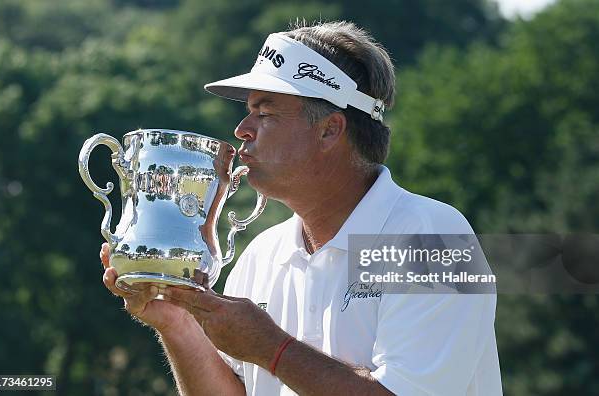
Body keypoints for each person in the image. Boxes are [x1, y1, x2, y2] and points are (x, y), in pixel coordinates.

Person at [100, 21, 503, 395]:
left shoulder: (432, 238)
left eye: (266, 111)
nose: (243, 130)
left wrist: (273, 350)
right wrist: (176, 323)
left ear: (330, 130)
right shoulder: (262, 253)